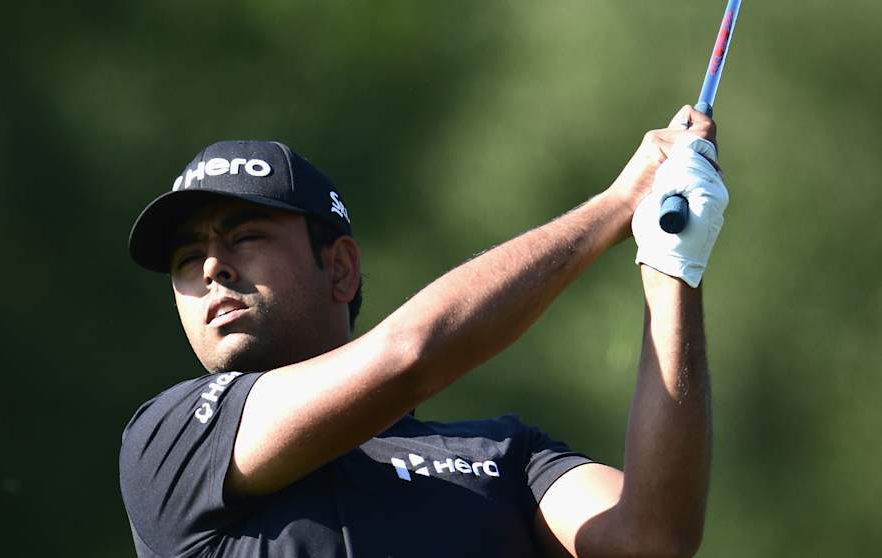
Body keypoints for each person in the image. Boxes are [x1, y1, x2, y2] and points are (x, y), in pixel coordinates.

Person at [119, 105, 727, 558]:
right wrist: (617, 205)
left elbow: (652, 537)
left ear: (339, 267)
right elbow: (407, 357)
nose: (210, 268)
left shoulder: (506, 459)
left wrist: (675, 265)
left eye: (244, 236)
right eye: (184, 259)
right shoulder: (172, 442)